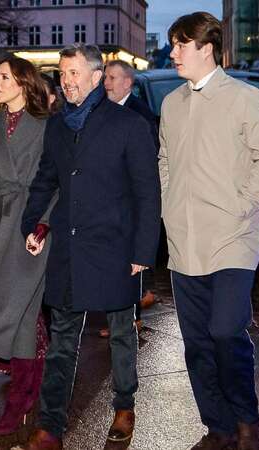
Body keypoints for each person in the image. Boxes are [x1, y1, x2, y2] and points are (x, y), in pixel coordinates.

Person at [15, 43, 161, 450]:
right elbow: (46, 179)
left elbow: (147, 194)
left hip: (115, 249)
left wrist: (142, 253)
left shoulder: (128, 125)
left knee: (120, 334)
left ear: (97, 77)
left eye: (74, 73)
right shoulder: (58, 126)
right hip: (69, 250)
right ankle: (51, 426)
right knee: (62, 340)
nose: (66, 82)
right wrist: (32, 223)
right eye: (62, 75)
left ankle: (124, 405)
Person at [159, 12, 259, 450]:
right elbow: (165, 162)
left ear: (206, 47)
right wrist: (167, 206)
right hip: (183, 240)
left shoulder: (244, 98)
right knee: (196, 343)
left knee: (226, 330)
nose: (173, 53)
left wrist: (242, 203)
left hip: (233, 237)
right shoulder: (171, 103)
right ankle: (219, 427)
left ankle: (247, 420)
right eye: (172, 44)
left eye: (181, 44)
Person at [0, 57, 53, 435]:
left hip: (32, 228)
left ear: (22, 82)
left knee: (21, 308)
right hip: (0, 223)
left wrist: (44, 223)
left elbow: (53, 181)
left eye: (4, 77)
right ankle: (31, 385)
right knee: (13, 307)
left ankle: (17, 398)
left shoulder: (47, 125)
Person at [98, 59, 160, 339]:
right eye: (106, 78)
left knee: (129, 262)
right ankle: (124, 313)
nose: (106, 83)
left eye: (111, 78)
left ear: (127, 83)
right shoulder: (106, 109)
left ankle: (130, 319)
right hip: (111, 199)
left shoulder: (140, 115)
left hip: (131, 202)